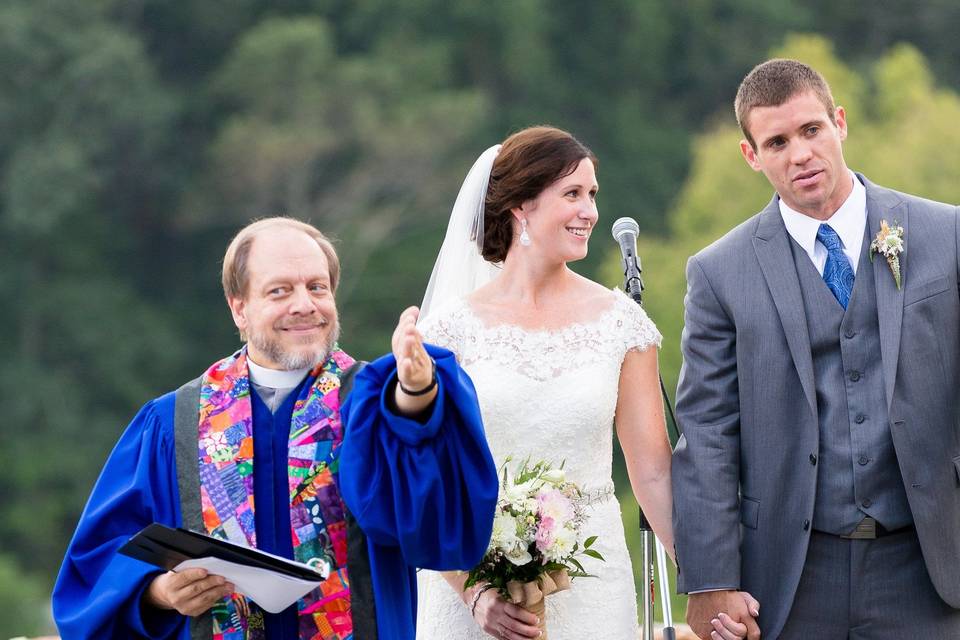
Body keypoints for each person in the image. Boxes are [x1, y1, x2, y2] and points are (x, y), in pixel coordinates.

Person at [52, 217, 499, 640]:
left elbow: (436, 521)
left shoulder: (370, 404)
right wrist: (159, 592)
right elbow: (98, 562)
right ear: (239, 308)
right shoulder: (176, 422)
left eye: (317, 287)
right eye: (280, 291)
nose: (304, 305)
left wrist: (416, 396)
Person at [413, 126, 749, 640]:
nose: (590, 211)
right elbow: (428, 481)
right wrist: (476, 593)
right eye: (572, 194)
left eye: (592, 195)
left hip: (591, 580)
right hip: (472, 586)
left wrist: (711, 582)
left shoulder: (622, 322)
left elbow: (655, 474)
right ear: (521, 207)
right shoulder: (447, 331)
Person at [672, 58, 960, 640]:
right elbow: (706, 433)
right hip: (792, 577)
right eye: (776, 142)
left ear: (840, 123)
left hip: (929, 564)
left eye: (811, 130)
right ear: (751, 156)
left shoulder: (946, 235)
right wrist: (710, 580)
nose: (800, 154)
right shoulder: (719, 273)